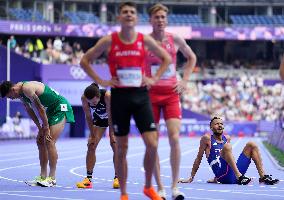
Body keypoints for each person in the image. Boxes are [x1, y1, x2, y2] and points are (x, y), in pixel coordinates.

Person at [80, 2, 171, 200]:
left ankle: (148, 187)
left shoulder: (143, 39)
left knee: (153, 143)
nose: (129, 14)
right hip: (120, 97)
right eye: (125, 12)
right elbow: (84, 61)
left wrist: (154, 79)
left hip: (140, 96)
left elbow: (166, 58)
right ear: (119, 17)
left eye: (132, 12)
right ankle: (123, 194)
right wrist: (102, 81)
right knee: (122, 148)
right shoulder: (109, 41)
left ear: (136, 18)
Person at [145, 3, 197, 200]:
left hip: (171, 95)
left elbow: (191, 58)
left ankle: (175, 187)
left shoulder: (174, 39)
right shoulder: (144, 41)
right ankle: (160, 188)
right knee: (153, 143)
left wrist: (184, 80)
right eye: (156, 17)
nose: (160, 20)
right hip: (150, 97)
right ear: (150, 20)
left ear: (166, 20)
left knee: (174, 138)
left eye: (162, 17)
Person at [0, 80, 75, 187]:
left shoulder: (27, 88)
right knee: (40, 141)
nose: (11, 99)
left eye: (9, 96)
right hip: (50, 109)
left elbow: (40, 108)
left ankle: (52, 178)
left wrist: (46, 127)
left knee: (49, 141)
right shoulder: (20, 94)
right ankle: (42, 176)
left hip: (60, 106)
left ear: (12, 90)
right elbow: (29, 110)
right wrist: (40, 127)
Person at [178, 117, 279, 185]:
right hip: (223, 176)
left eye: (221, 124)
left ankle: (262, 177)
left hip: (232, 172)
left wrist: (214, 179)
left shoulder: (227, 138)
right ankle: (239, 177)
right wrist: (191, 177)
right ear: (211, 127)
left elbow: (228, 159)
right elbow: (198, 158)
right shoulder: (206, 139)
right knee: (227, 147)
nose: (220, 125)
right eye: (216, 124)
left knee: (252, 144)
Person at [76, 83, 119, 189]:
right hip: (99, 119)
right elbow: (88, 116)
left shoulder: (107, 96)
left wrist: (112, 133)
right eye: (91, 103)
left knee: (115, 144)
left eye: (95, 102)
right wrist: (92, 135)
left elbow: (111, 114)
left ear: (99, 96)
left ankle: (118, 177)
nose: (93, 104)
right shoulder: (84, 98)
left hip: (114, 118)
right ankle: (88, 180)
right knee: (91, 145)